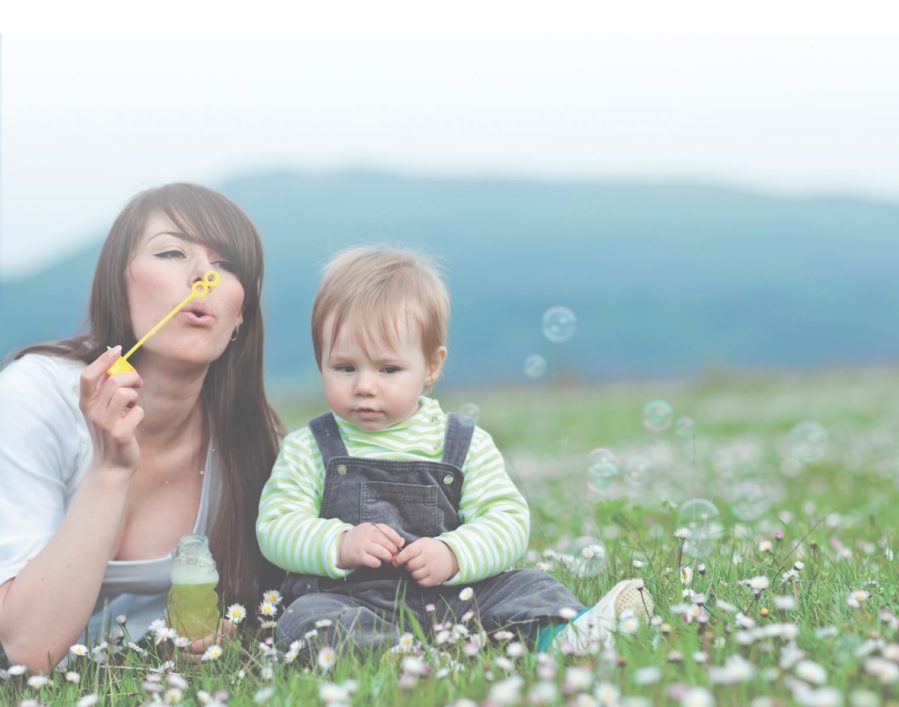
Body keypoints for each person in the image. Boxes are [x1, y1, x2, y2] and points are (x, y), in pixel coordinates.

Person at [256, 246, 652, 655]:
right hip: (352, 601)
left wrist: (453, 552)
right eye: (345, 367)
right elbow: (276, 525)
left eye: (388, 369)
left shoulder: (462, 443)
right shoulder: (309, 446)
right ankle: (396, 657)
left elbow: (507, 520)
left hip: (454, 597)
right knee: (304, 618)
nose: (365, 386)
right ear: (321, 360)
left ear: (431, 365)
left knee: (529, 585)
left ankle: (569, 635)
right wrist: (338, 543)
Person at [0, 183, 283, 672]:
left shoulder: (256, 445)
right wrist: (110, 469)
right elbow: (26, 649)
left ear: (240, 316)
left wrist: (215, 638)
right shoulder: (35, 397)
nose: (202, 277)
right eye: (172, 252)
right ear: (120, 282)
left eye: (226, 265)